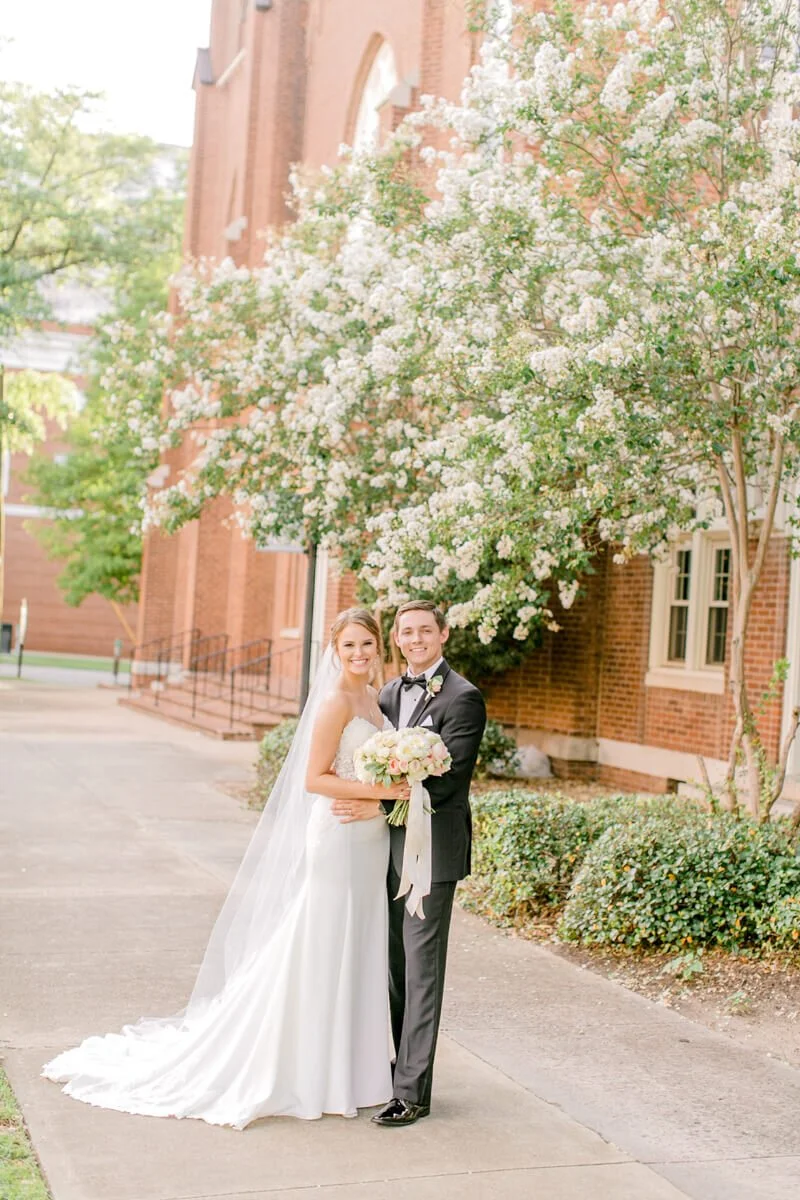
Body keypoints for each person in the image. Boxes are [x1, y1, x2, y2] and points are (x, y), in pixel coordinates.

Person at [42, 608, 409, 1128]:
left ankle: (353, 1066)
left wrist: (385, 798)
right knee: (323, 940)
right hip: (338, 838)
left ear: (378, 646)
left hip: (369, 838)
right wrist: (382, 791)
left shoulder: (375, 697)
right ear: (335, 649)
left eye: (366, 645)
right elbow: (314, 779)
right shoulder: (332, 702)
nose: (358, 654)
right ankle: (309, 1068)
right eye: (348, 646)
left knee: (360, 942)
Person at [332, 600, 486, 1127]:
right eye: (406, 632)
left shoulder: (464, 698)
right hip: (383, 845)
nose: (416, 639)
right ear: (396, 640)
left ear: (443, 634)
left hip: (432, 850)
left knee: (421, 969)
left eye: (425, 630)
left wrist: (372, 801)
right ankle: (390, 1067)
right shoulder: (390, 693)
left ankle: (413, 1091)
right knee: (392, 965)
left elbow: (446, 784)